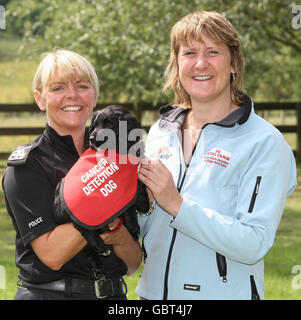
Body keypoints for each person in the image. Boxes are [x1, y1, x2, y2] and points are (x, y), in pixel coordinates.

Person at [137, 10, 297, 300]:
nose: (201, 63)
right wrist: (138, 207)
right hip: (152, 296)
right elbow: (148, 226)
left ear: (234, 63)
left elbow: (254, 243)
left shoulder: (264, 142)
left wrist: (177, 204)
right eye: (189, 53)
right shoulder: (161, 132)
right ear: (177, 64)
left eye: (213, 51)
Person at [2, 49, 142, 300]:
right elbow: (52, 256)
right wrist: (102, 199)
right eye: (57, 88)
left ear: (94, 95)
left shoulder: (115, 158)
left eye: (82, 86)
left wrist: (119, 235)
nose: (72, 95)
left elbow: (133, 265)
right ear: (40, 99)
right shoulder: (27, 166)